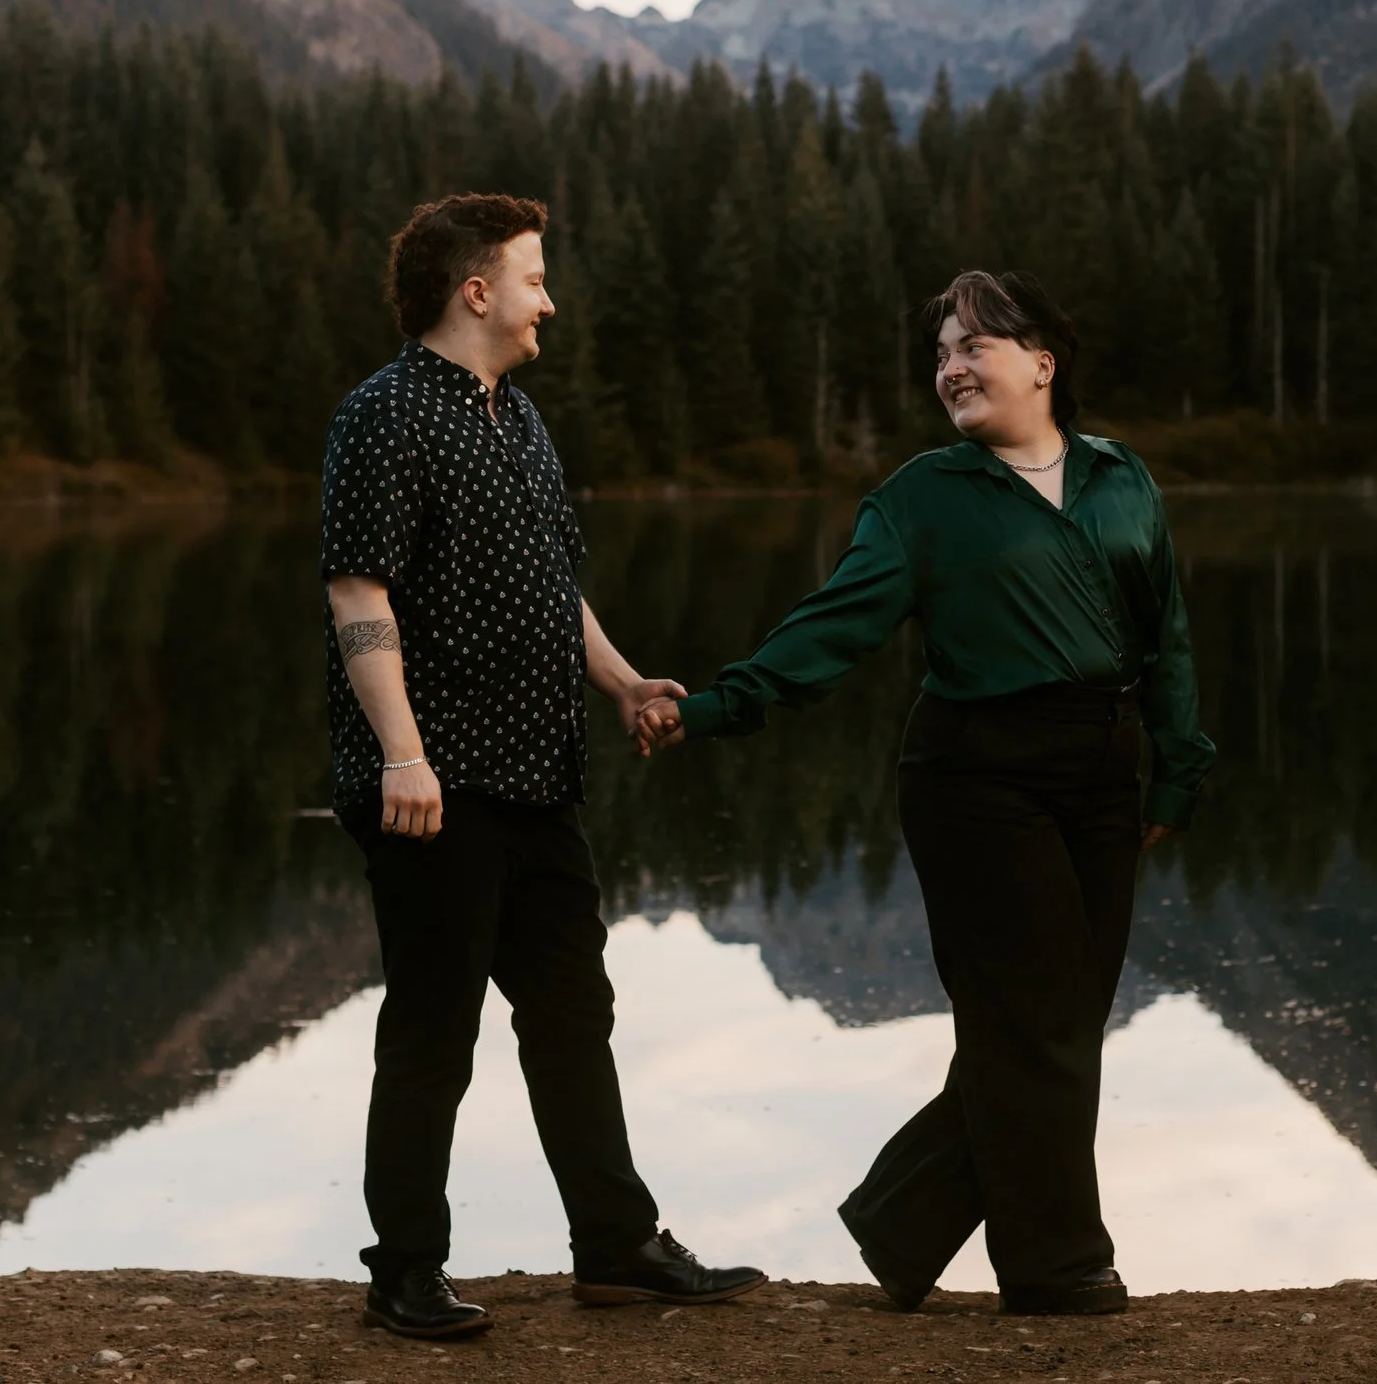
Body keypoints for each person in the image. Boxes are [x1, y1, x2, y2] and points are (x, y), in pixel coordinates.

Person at [638, 268, 1215, 1316]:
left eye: (972, 345)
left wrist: (1176, 764)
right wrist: (717, 705)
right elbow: (834, 626)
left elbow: (1164, 634)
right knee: (1034, 1016)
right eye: (940, 352)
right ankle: (1054, 1264)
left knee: (1058, 1021)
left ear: (1043, 360)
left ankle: (902, 1220)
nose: (950, 366)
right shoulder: (921, 498)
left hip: (1102, 770)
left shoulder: (1122, 478)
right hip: (974, 776)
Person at [322, 192, 764, 1340]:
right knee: (434, 1026)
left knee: (572, 1008)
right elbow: (358, 589)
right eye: (532, 276)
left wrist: (620, 683)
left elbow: (547, 582)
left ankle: (614, 1245)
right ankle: (404, 1269)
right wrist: (401, 756)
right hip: (436, 784)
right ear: (476, 291)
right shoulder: (385, 415)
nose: (547, 298)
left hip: (535, 773)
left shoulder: (515, 416)